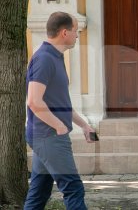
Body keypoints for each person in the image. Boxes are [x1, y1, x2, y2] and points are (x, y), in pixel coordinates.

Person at [25, 12, 97, 210]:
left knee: (39, 192)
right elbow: (33, 100)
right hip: (48, 136)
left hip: (46, 136)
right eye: (75, 31)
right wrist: (58, 126)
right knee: (73, 188)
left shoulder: (55, 58)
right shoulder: (45, 59)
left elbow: (60, 103)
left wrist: (83, 125)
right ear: (64, 32)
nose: (77, 34)